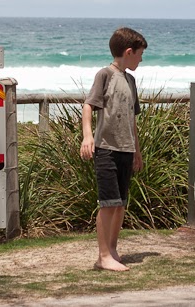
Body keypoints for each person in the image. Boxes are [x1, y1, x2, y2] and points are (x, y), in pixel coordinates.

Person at [80, 27, 147, 271]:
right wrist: (88, 137)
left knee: (120, 203)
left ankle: (112, 248)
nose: (141, 59)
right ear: (128, 52)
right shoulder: (105, 75)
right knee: (108, 203)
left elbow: (131, 120)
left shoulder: (131, 80)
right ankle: (103, 256)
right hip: (106, 149)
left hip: (126, 150)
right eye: (140, 54)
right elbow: (88, 106)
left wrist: (137, 151)